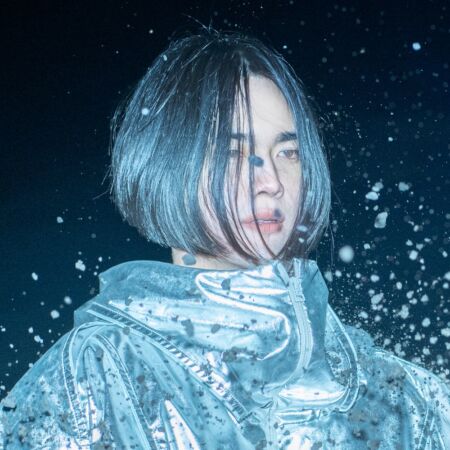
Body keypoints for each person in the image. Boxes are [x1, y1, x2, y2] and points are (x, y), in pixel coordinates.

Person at [1, 27, 449, 450]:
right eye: (234, 153)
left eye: (287, 152)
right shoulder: (94, 378)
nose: (271, 181)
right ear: (166, 165)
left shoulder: (405, 400)